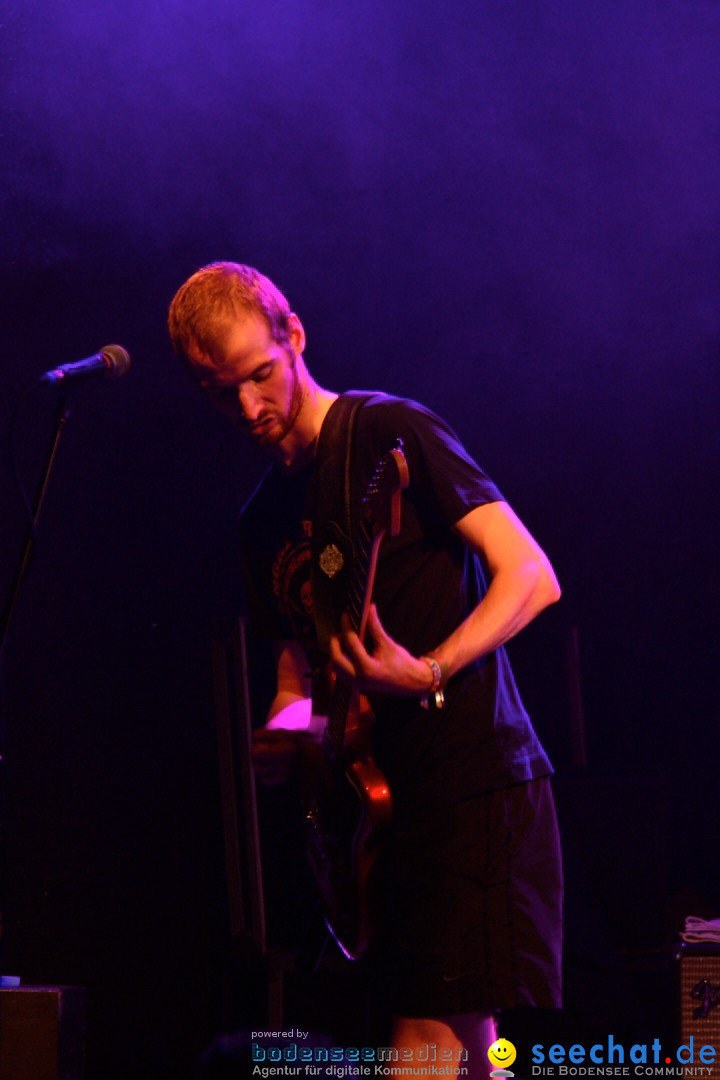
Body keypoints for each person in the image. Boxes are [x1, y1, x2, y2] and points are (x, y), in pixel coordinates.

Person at [168, 261, 563, 1079]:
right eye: (221, 393)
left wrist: (430, 669)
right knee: (459, 1050)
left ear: (296, 337)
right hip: (377, 817)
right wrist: (285, 737)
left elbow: (531, 573)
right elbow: (295, 672)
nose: (248, 408)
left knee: (423, 1045)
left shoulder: (389, 433)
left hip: (469, 780)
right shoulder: (260, 519)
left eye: (260, 375)